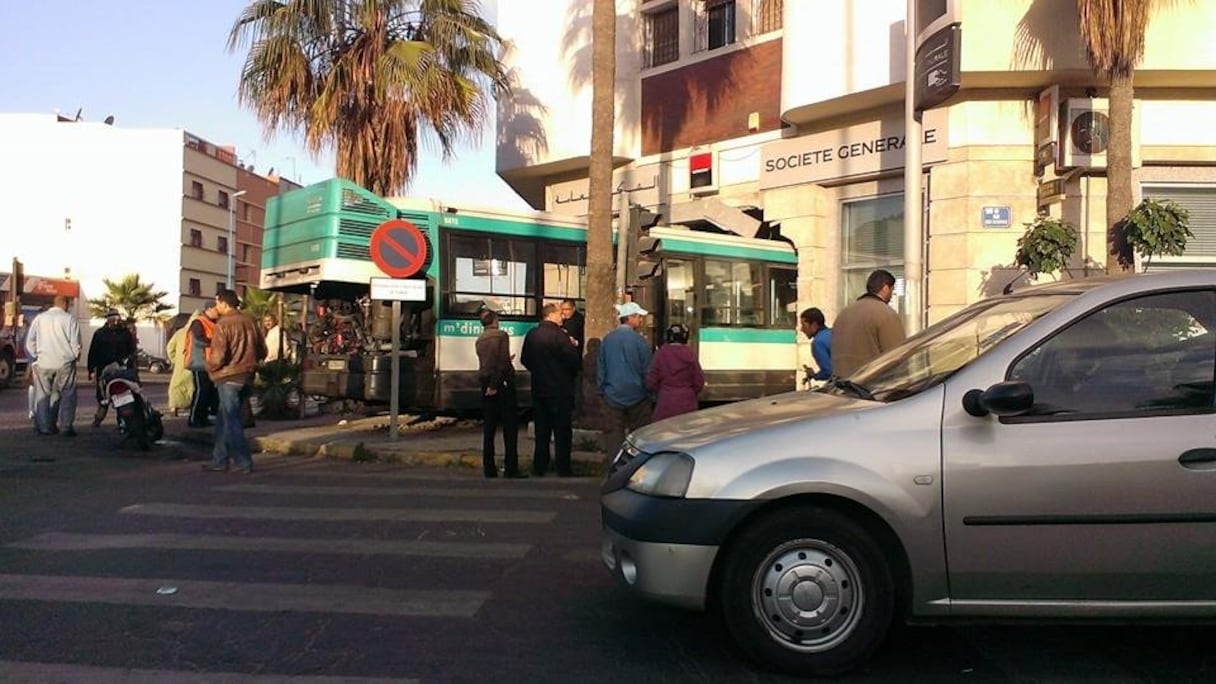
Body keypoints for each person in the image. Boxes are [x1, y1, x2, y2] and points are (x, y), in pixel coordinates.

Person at [203, 290, 266, 473]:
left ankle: (243, 461)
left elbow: (218, 356)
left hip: (229, 376)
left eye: (217, 303)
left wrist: (209, 367)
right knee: (224, 419)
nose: (216, 306)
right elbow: (262, 350)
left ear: (224, 303)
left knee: (231, 421)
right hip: (247, 375)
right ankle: (219, 459)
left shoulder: (223, 324)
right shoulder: (250, 321)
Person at [520, 302, 581, 477]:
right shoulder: (560, 336)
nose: (563, 317)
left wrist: (539, 371)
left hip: (539, 389)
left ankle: (540, 466)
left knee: (542, 431)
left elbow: (525, 359)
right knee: (562, 432)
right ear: (551, 315)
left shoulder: (532, 335)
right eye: (560, 314)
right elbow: (573, 361)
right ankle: (563, 467)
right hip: (560, 390)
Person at [597, 301, 653, 455]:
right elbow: (647, 370)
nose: (641, 320)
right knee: (639, 435)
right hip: (637, 395)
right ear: (630, 318)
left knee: (614, 434)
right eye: (639, 317)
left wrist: (602, 391)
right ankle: (635, 465)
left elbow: (601, 368)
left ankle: (615, 467)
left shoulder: (607, 340)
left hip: (612, 395)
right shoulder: (640, 341)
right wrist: (650, 392)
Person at [25, 295, 81, 442]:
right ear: (65, 304)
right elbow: (76, 343)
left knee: (42, 395)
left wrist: (36, 357)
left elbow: (30, 341)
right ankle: (66, 426)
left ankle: (44, 428)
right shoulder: (69, 319)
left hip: (44, 362)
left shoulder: (40, 319)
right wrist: (74, 356)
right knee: (68, 394)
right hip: (64, 362)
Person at [476, 309, 524, 479]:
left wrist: (488, 385)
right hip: (501, 384)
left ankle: (489, 468)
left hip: (484, 381)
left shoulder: (480, 339)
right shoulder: (501, 336)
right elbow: (502, 363)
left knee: (489, 427)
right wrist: (495, 384)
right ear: (495, 320)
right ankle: (511, 467)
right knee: (510, 427)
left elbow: (487, 362)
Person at [830, 269, 906, 378]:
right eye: (892, 290)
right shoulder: (885, 313)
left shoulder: (844, 313)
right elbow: (897, 356)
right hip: (872, 387)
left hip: (842, 387)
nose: (891, 295)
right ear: (885, 288)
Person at [86, 309, 137, 427]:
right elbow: (93, 352)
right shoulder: (99, 333)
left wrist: (132, 366)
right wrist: (91, 370)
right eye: (113, 318)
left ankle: (123, 420)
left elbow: (131, 351)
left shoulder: (125, 333)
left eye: (118, 318)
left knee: (124, 395)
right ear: (108, 319)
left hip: (122, 369)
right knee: (103, 397)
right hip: (103, 370)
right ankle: (98, 418)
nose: (116, 320)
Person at [646, 323, 704, 421]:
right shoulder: (690, 354)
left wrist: (661, 392)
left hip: (665, 401)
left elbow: (651, 381)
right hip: (687, 402)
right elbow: (699, 381)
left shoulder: (661, 354)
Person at [184, 304, 219, 428]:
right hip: (199, 362)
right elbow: (198, 340)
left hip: (209, 362)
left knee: (208, 391)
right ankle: (194, 419)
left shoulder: (213, 322)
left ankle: (202, 418)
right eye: (216, 309)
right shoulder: (198, 322)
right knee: (201, 391)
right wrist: (216, 343)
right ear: (209, 309)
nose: (218, 312)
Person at [164, 312, 198, 417]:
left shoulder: (180, 332)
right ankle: (192, 407)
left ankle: (174, 407)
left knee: (177, 386)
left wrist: (175, 360)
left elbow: (170, 348)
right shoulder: (200, 332)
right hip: (195, 364)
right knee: (194, 387)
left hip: (181, 364)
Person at [799, 307, 833, 385]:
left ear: (814, 324)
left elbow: (828, 372)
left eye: (804, 325)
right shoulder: (833, 333)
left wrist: (814, 375)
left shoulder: (818, 342)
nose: (802, 329)